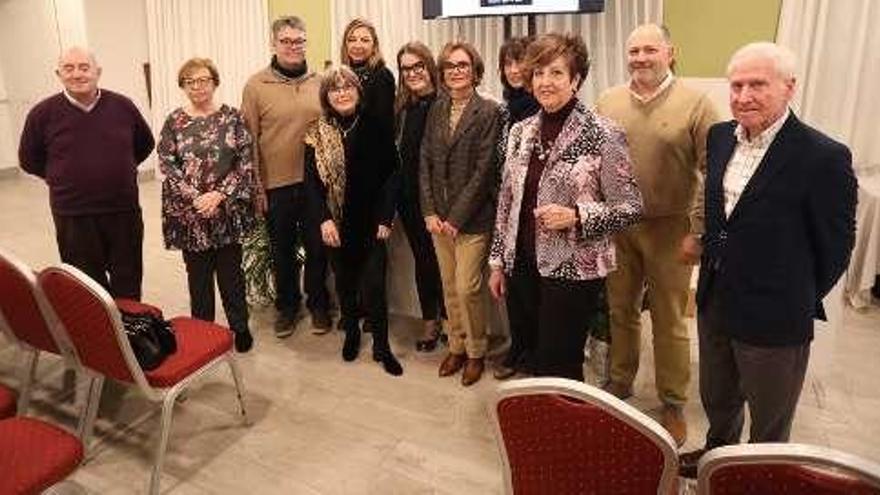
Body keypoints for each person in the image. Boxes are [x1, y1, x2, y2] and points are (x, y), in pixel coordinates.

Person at [678, 42, 856, 477]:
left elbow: (836, 246)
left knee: (770, 417)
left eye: (757, 84)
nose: (743, 96)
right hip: (716, 298)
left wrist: (794, 293)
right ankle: (718, 458)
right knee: (717, 397)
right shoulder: (720, 136)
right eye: (736, 85)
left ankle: (761, 476)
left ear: (789, 88)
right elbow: (721, 212)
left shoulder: (823, 156)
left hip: (776, 314)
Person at [488, 33, 643, 383]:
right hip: (522, 265)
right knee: (528, 353)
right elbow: (507, 201)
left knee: (560, 363)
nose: (546, 82)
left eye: (556, 73)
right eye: (539, 73)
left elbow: (631, 206)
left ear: (576, 79)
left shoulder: (604, 133)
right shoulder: (520, 131)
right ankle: (539, 421)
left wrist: (577, 216)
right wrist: (498, 262)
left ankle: (564, 430)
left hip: (572, 269)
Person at [595, 23, 720, 446]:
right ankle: (619, 380)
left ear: (670, 52)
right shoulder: (608, 101)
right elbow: (593, 166)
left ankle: (672, 400)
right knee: (620, 310)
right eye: (634, 51)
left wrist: (699, 232)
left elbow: (714, 173)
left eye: (650, 49)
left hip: (671, 229)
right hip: (618, 227)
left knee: (669, 320)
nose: (641, 58)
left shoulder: (697, 104)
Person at [19, 47, 154, 299]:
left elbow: (145, 144)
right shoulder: (42, 113)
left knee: (129, 281)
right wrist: (60, 176)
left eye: (84, 67)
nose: (77, 74)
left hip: (122, 211)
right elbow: (28, 159)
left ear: (97, 72)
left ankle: (130, 332)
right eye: (68, 68)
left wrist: (117, 168)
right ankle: (98, 337)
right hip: (73, 215)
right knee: (87, 288)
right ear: (58, 73)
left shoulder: (123, 106)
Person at [304, 66, 403, 376]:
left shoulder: (376, 126)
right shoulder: (315, 132)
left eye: (348, 87)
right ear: (326, 96)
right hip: (335, 222)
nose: (342, 93)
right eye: (335, 88)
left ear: (358, 92)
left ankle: (382, 346)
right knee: (345, 283)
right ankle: (352, 334)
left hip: (371, 221)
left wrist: (385, 218)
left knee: (374, 286)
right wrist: (323, 220)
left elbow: (391, 177)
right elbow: (310, 183)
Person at [157, 58, 258, 353]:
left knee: (231, 275)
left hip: (226, 210)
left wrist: (219, 195)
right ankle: (203, 332)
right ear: (183, 86)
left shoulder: (233, 118)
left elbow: (245, 161)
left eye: (203, 80)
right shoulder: (174, 121)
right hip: (192, 216)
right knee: (198, 279)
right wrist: (196, 197)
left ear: (215, 82)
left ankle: (239, 328)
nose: (198, 86)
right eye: (191, 81)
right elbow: (167, 163)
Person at [241, 16, 332, 337]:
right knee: (281, 252)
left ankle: (319, 304)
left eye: (298, 41)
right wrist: (256, 187)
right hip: (275, 185)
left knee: (317, 248)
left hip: (315, 184)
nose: (293, 47)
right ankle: (288, 308)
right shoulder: (255, 86)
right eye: (286, 41)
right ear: (274, 44)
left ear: (306, 43)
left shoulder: (321, 83)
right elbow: (248, 139)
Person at [420, 41, 500, 386]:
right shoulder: (436, 109)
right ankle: (456, 345)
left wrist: (455, 218)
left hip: (473, 220)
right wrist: (429, 210)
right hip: (437, 219)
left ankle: (477, 352)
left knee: (468, 287)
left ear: (475, 71)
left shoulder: (488, 112)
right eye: (449, 66)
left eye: (462, 65)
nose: (455, 70)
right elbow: (424, 160)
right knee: (449, 287)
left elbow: (484, 172)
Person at [491, 35, 542, 380]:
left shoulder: (539, 107)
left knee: (535, 291)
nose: (513, 70)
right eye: (507, 63)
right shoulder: (506, 108)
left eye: (519, 62)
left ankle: (534, 354)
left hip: (535, 215)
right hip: (507, 211)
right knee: (515, 286)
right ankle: (518, 347)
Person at [394, 41, 447, 352]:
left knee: (447, 265)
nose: (413, 73)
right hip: (409, 199)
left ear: (429, 67)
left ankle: (455, 324)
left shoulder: (445, 103)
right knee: (424, 261)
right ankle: (431, 319)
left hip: (440, 200)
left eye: (417, 66)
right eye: (406, 69)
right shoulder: (403, 108)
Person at [340, 18, 395, 137]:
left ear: (374, 45)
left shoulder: (382, 76)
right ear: (345, 45)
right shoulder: (342, 77)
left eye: (364, 40)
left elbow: (382, 124)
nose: (357, 45)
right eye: (352, 40)